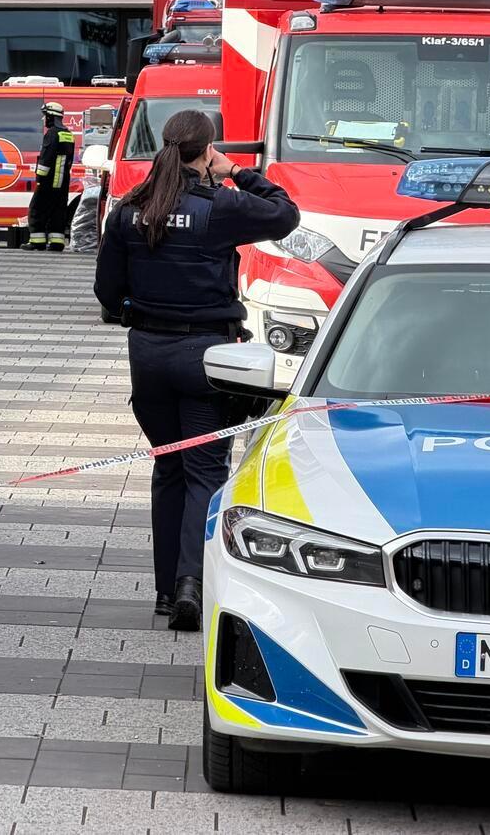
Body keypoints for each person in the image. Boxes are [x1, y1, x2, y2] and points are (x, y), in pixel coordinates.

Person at [94, 109, 300, 632]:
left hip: (148, 354)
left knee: (168, 469)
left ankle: (167, 591)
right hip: (207, 357)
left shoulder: (128, 209)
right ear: (206, 149)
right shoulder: (221, 206)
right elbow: (284, 213)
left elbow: (105, 292)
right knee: (205, 471)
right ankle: (194, 585)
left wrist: (136, 313)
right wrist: (235, 172)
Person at [26, 101, 77, 251]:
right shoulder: (68, 134)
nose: (44, 120)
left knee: (37, 209)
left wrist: (40, 179)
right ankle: (57, 242)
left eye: (45, 116)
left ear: (51, 117)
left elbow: (45, 159)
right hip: (63, 183)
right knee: (58, 211)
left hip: (48, 181)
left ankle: (37, 241)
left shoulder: (52, 134)